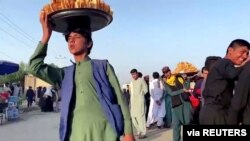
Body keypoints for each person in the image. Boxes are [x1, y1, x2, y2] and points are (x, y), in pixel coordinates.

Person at [28, 11, 134, 141]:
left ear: (89, 43)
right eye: (69, 38)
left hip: (105, 135)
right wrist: (46, 35)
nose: (71, 40)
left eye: (77, 37)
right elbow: (34, 67)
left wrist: (128, 132)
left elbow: (120, 98)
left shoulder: (102, 66)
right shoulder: (64, 74)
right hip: (75, 136)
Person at [199, 39, 250, 125]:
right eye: (242, 52)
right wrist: (245, 65)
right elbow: (233, 74)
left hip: (213, 111)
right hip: (215, 112)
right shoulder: (224, 63)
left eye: (247, 53)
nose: (245, 56)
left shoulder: (221, 65)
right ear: (230, 50)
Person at [162, 66, 192, 141]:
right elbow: (171, 93)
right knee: (175, 125)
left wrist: (187, 79)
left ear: (170, 71)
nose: (166, 73)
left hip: (185, 103)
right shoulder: (166, 83)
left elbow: (187, 88)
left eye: (167, 71)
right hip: (176, 105)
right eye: (164, 73)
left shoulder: (179, 78)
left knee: (187, 122)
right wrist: (182, 90)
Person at [129, 69, 148, 139]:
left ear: (137, 73)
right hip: (133, 102)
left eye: (134, 74)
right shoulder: (131, 82)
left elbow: (146, 90)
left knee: (140, 117)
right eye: (132, 75)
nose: (133, 76)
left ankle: (143, 132)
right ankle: (139, 130)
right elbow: (131, 92)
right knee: (133, 117)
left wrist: (140, 95)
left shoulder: (141, 80)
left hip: (140, 101)